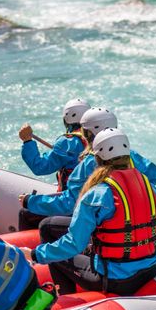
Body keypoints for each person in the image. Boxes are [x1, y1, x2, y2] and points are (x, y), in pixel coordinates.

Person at [20, 128, 156, 296]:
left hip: (114, 280)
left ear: (97, 158)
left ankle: (65, 298)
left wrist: (36, 254)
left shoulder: (96, 195)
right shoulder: (154, 191)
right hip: (151, 270)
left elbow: (73, 244)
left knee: (58, 254)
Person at [18, 107, 156, 242]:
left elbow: (70, 203)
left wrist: (30, 201)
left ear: (88, 133)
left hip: (98, 224)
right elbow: (154, 176)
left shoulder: (87, 164)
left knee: (44, 224)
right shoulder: (132, 156)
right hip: (129, 222)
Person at [17, 98, 91, 230]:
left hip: (73, 204)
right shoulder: (97, 138)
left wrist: (27, 141)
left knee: (26, 213)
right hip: (91, 201)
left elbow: (40, 167)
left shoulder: (68, 142)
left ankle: (30, 249)